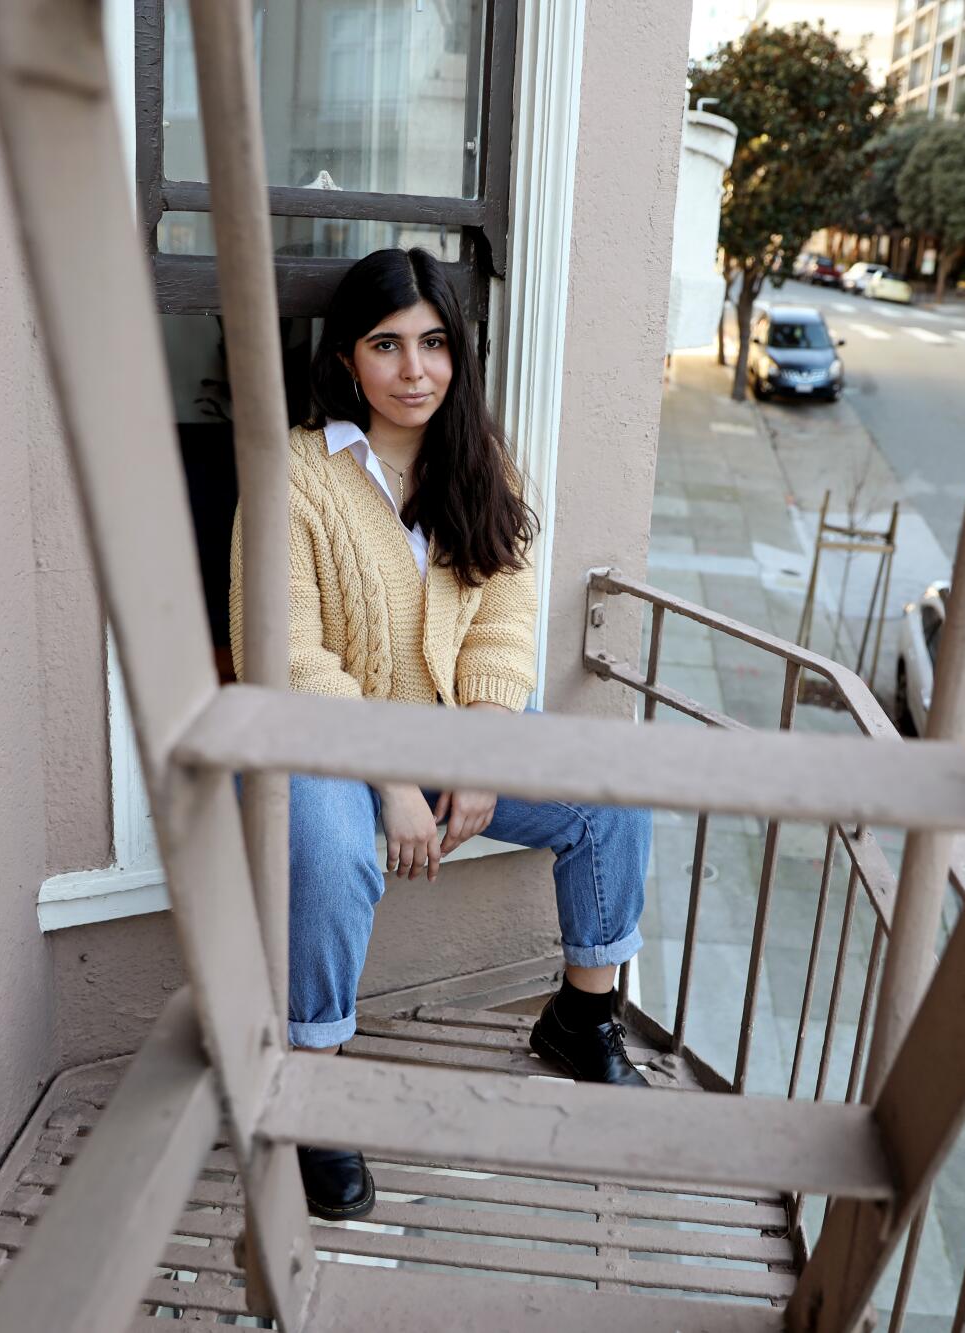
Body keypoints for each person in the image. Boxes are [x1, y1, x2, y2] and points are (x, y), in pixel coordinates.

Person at [229, 248, 652, 1221]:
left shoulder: (478, 460)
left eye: (432, 343)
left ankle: (581, 1016)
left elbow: (502, 625)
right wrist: (388, 779)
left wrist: (480, 752)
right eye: (386, 346)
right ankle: (316, 1084)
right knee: (328, 848)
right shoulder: (293, 476)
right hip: (319, 737)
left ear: (457, 353)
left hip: (454, 730)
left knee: (612, 780)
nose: (413, 370)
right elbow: (284, 653)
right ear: (344, 359)